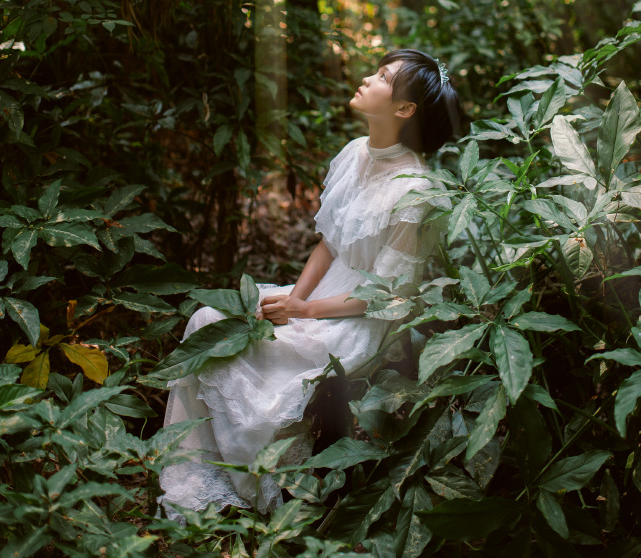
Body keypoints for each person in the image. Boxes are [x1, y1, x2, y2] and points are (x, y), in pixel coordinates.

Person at [159, 48, 462, 518]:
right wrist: (294, 300)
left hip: (358, 319)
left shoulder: (417, 190)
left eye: (383, 77)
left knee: (253, 352)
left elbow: (390, 294)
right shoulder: (354, 153)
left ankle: (253, 487)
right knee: (209, 320)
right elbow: (328, 245)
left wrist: (304, 312)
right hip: (319, 298)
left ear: (405, 109)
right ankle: (197, 472)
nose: (367, 79)